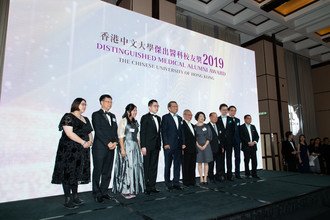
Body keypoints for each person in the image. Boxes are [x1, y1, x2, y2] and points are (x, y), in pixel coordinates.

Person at [52, 98, 93, 209]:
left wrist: (90, 141)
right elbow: (69, 133)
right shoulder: (68, 116)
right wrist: (83, 142)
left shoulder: (86, 119)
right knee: (67, 173)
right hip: (68, 150)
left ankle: (75, 197)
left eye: (85, 104)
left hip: (82, 151)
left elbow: (90, 132)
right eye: (82, 104)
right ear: (76, 104)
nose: (84, 106)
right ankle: (68, 199)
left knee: (76, 173)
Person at [112, 104, 145, 199]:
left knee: (134, 168)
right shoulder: (123, 121)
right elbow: (120, 136)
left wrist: (139, 148)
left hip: (134, 148)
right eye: (133, 110)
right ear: (128, 111)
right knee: (126, 168)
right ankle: (125, 190)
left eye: (136, 110)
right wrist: (122, 149)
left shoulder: (136, 122)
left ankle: (132, 188)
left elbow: (137, 137)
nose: (135, 112)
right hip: (126, 146)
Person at [92, 94, 118, 203]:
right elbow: (98, 131)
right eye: (107, 101)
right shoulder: (96, 115)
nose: (109, 104)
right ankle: (97, 193)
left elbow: (115, 131)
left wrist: (115, 142)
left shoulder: (113, 115)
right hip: (100, 148)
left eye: (111, 102)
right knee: (98, 170)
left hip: (111, 148)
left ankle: (104, 192)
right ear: (101, 102)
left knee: (107, 171)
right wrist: (108, 143)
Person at [140, 100, 162, 194]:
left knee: (154, 167)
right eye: (154, 106)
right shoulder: (145, 117)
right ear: (149, 107)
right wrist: (143, 146)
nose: (156, 107)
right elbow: (142, 132)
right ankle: (145, 187)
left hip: (156, 146)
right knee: (146, 167)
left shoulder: (159, 118)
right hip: (147, 147)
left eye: (157, 106)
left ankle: (152, 186)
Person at [161, 101, 183, 191]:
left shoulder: (179, 118)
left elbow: (181, 132)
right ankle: (168, 183)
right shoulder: (165, 117)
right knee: (168, 165)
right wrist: (165, 143)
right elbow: (163, 131)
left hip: (178, 145)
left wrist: (183, 143)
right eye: (174, 106)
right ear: (169, 108)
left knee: (177, 165)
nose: (176, 108)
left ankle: (176, 183)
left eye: (177, 106)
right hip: (169, 146)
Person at [217, 103, 235, 181]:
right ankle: (222, 175)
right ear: (220, 110)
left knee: (229, 159)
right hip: (221, 143)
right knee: (221, 159)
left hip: (229, 143)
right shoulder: (217, 119)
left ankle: (229, 175)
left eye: (226, 110)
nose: (225, 111)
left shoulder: (231, 119)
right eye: (223, 110)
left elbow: (233, 131)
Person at [195, 112, 213, 184]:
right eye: (200, 116)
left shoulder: (207, 126)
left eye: (203, 116)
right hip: (197, 146)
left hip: (206, 146)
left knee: (206, 162)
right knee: (199, 163)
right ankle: (201, 178)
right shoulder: (194, 127)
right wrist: (198, 145)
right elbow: (194, 138)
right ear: (197, 117)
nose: (202, 118)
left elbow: (209, 137)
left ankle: (205, 178)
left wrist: (205, 145)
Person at [239, 115, 260, 179]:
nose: (250, 120)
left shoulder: (253, 126)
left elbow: (257, 136)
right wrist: (247, 142)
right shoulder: (241, 127)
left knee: (254, 161)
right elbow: (241, 136)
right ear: (245, 119)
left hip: (253, 146)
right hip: (246, 146)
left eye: (250, 118)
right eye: (248, 118)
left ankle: (254, 174)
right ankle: (247, 174)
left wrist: (254, 142)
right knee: (247, 160)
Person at [181, 109, 197, 187]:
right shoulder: (182, 125)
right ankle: (186, 181)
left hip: (193, 149)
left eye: (191, 115)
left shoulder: (193, 125)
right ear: (184, 115)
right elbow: (182, 136)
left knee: (192, 165)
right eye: (188, 115)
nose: (190, 116)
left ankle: (192, 181)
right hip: (186, 148)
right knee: (186, 165)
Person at [208, 112, 224, 183]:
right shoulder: (207, 126)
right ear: (210, 117)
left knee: (219, 163)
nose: (216, 118)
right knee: (211, 164)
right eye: (214, 117)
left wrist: (222, 147)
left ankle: (218, 176)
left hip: (219, 148)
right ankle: (211, 177)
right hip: (211, 148)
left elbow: (221, 137)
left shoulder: (218, 125)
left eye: (216, 117)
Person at [229, 106, 242, 179]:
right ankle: (229, 174)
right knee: (229, 158)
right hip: (229, 142)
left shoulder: (238, 120)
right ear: (229, 111)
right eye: (231, 110)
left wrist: (240, 141)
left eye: (234, 111)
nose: (233, 112)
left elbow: (238, 131)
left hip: (237, 141)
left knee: (237, 157)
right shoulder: (226, 120)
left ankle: (237, 173)